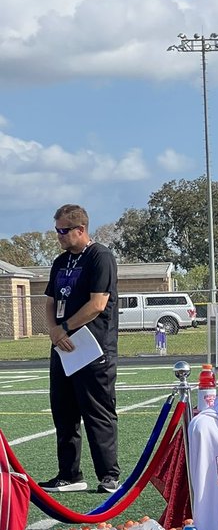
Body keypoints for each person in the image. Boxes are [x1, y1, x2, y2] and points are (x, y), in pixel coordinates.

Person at [42, 204, 120, 492]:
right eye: (57, 231)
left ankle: (109, 475)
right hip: (62, 346)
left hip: (94, 347)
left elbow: (97, 304)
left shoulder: (100, 257)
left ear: (81, 229)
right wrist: (53, 330)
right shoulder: (60, 261)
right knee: (63, 411)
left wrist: (65, 328)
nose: (59, 236)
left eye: (64, 231)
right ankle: (69, 474)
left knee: (97, 412)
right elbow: (50, 300)